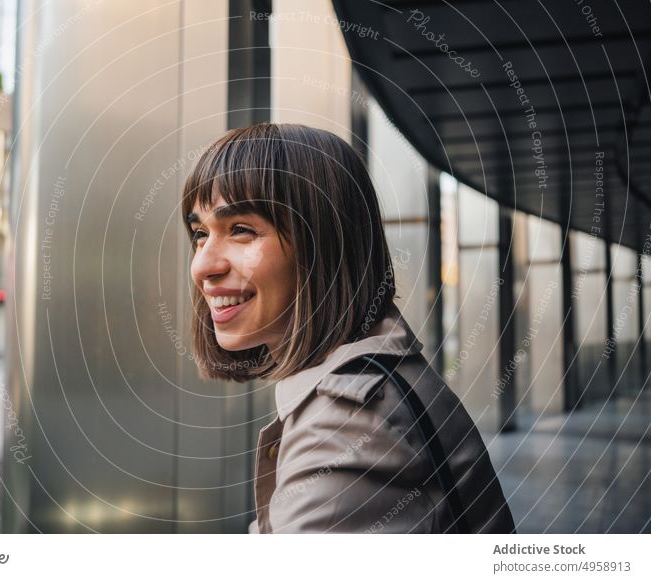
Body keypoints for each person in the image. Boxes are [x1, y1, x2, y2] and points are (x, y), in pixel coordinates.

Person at [181, 122, 516, 534]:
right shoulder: (376, 372)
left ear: (323, 244)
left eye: (242, 230)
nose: (203, 266)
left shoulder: (345, 424)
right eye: (200, 234)